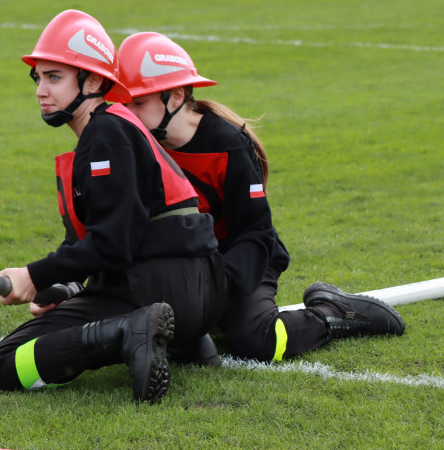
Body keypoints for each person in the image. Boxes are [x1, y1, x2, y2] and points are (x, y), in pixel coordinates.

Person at [0, 11, 227, 403]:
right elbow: (116, 234)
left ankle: (128, 331)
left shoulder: (106, 136)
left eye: (54, 77)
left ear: (93, 81)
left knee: (0, 366)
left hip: (156, 289)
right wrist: (61, 286)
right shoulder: (117, 125)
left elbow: (113, 245)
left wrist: (33, 275)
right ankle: (185, 343)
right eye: (38, 78)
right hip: (199, 295)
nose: (41, 90)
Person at [116, 32, 405, 364]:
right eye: (124, 104)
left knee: (257, 341)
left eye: (138, 103)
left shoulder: (227, 143)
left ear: (176, 96)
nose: (128, 114)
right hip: (184, 265)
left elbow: (256, 233)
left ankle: (333, 312)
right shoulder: (136, 149)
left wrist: (214, 288)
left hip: (245, 257)